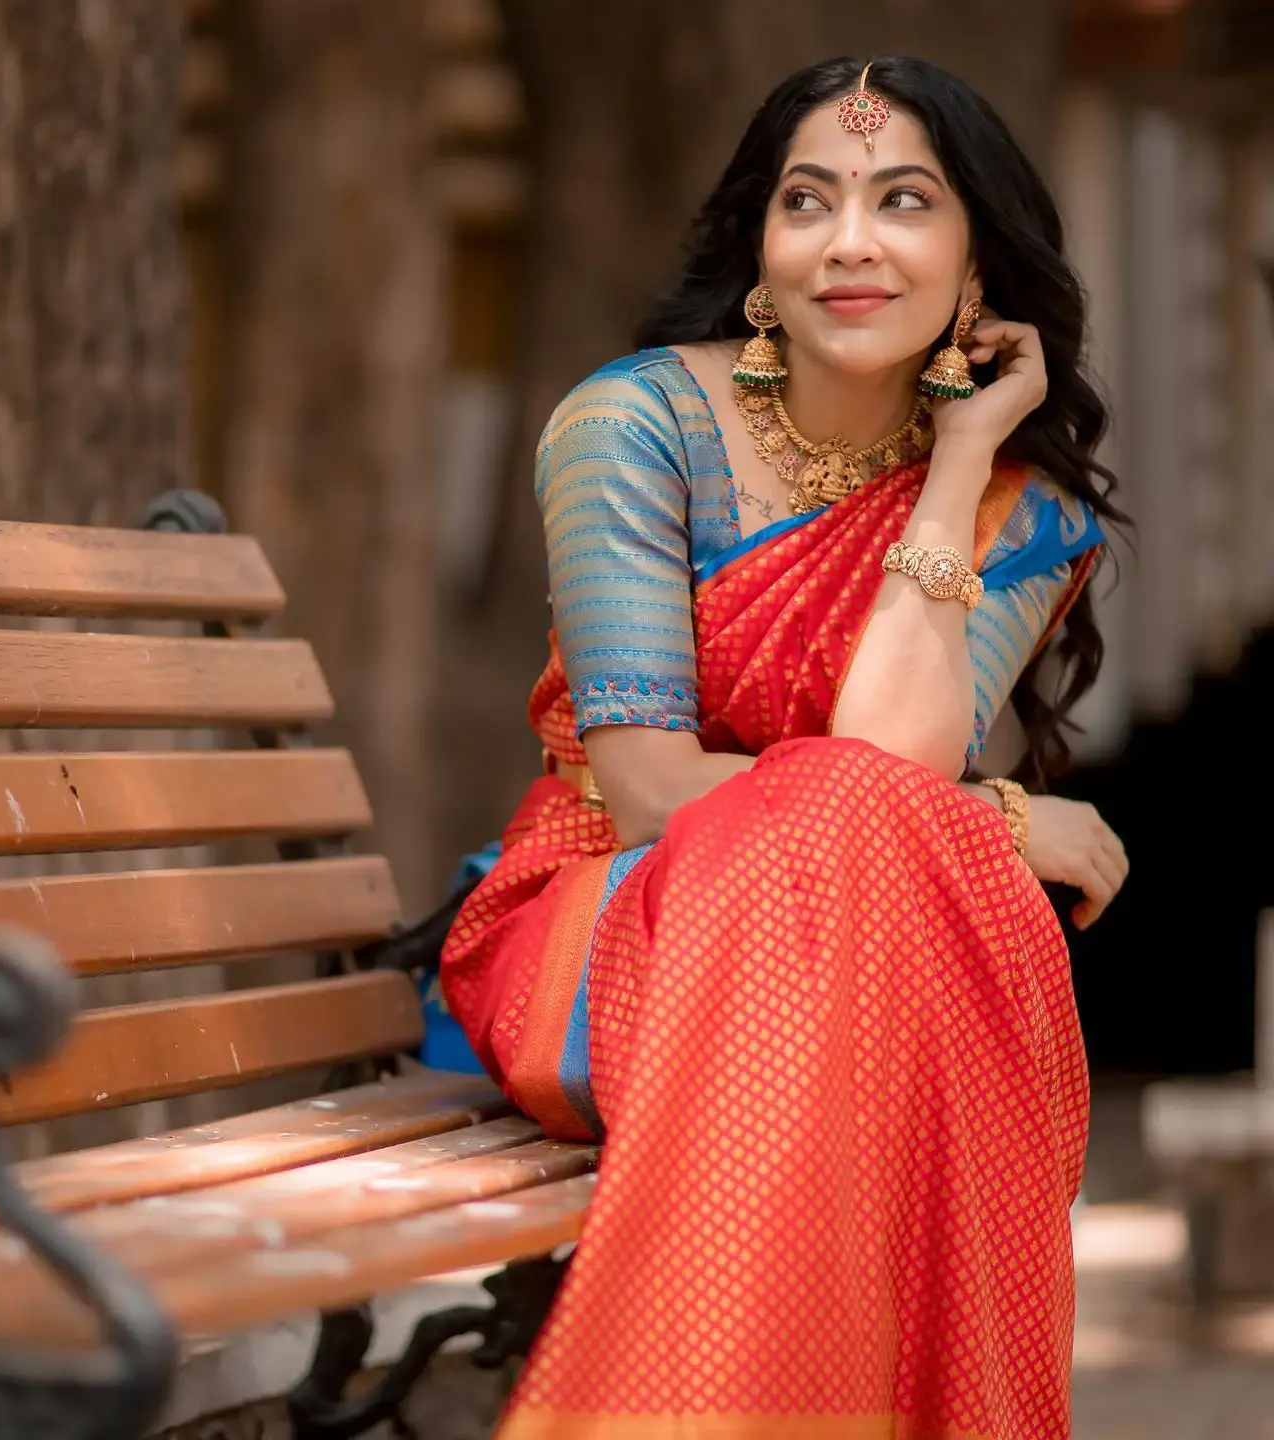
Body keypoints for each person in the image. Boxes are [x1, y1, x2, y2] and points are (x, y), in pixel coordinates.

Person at [442, 54, 1129, 1440]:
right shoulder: (630, 428)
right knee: (892, 870)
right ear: (760, 246)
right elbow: (642, 788)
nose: (851, 243)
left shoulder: (1015, 505)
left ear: (978, 261)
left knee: (863, 854)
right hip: (605, 921)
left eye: (904, 202)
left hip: (853, 950)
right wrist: (995, 821)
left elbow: (881, 758)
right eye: (808, 201)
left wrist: (950, 468)